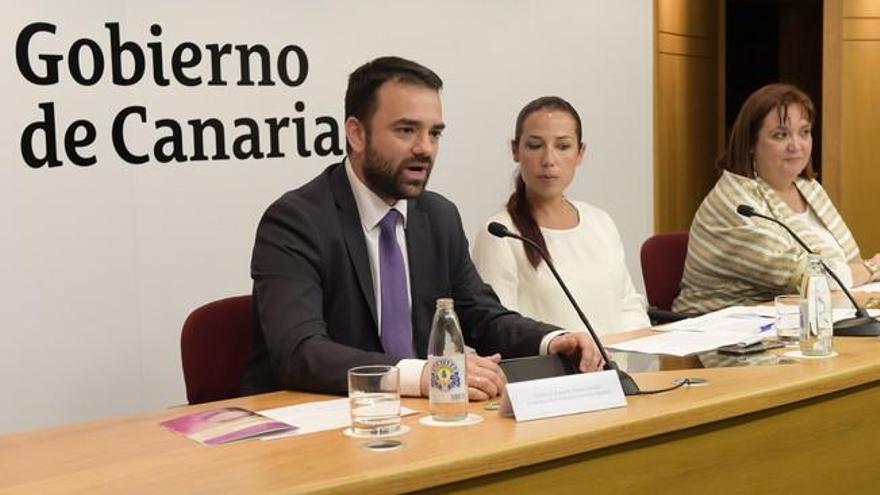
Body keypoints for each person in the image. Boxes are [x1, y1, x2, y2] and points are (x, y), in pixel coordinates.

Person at [240, 57, 603, 400]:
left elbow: (479, 314)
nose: (425, 149)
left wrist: (552, 340)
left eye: (435, 133)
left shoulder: (438, 216)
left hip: (417, 422)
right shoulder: (296, 221)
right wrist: (422, 375)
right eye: (406, 130)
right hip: (316, 428)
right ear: (356, 134)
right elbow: (299, 352)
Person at [673, 83, 880, 315]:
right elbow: (805, 278)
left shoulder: (809, 188)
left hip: (803, 322)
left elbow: (846, 266)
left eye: (804, 132)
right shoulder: (735, 203)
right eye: (780, 135)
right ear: (751, 143)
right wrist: (871, 267)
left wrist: (861, 272)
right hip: (728, 335)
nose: (797, 146)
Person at [472, 96, 650, 335]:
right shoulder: (501, 234)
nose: (549, 160)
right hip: (548, 371)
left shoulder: (600, 221)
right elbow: (499, 331)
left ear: (580, 153)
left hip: (614, 368)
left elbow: (629, 306)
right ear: (515, 150)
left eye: (563, 146)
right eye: (535, 146)